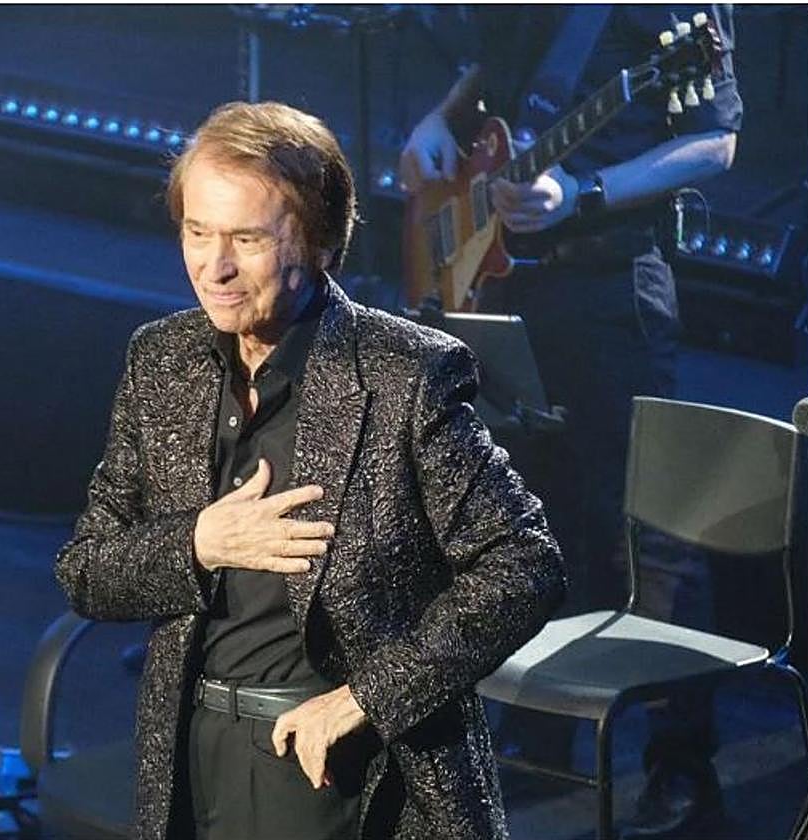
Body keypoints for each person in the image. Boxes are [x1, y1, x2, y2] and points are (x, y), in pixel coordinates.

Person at [56, 101, 565, 840]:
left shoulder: (403, 375)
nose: (215, 266)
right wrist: (200, 542)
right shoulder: (161, 361)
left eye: (246, 239)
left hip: (348, 773)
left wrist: (364, 699)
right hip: (194, 759)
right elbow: (85, 569)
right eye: (196, 233)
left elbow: (526, 566)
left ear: (322, 241)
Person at [400, 6, 742, 839]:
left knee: (647, 529)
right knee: (521, 519)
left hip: (609, 287)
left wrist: (584, 191)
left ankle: (682, 773)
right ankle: (539, 740)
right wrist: (439, 122)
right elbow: (491, 72)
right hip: (510, 282)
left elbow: (718, 142)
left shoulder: (674, 16)